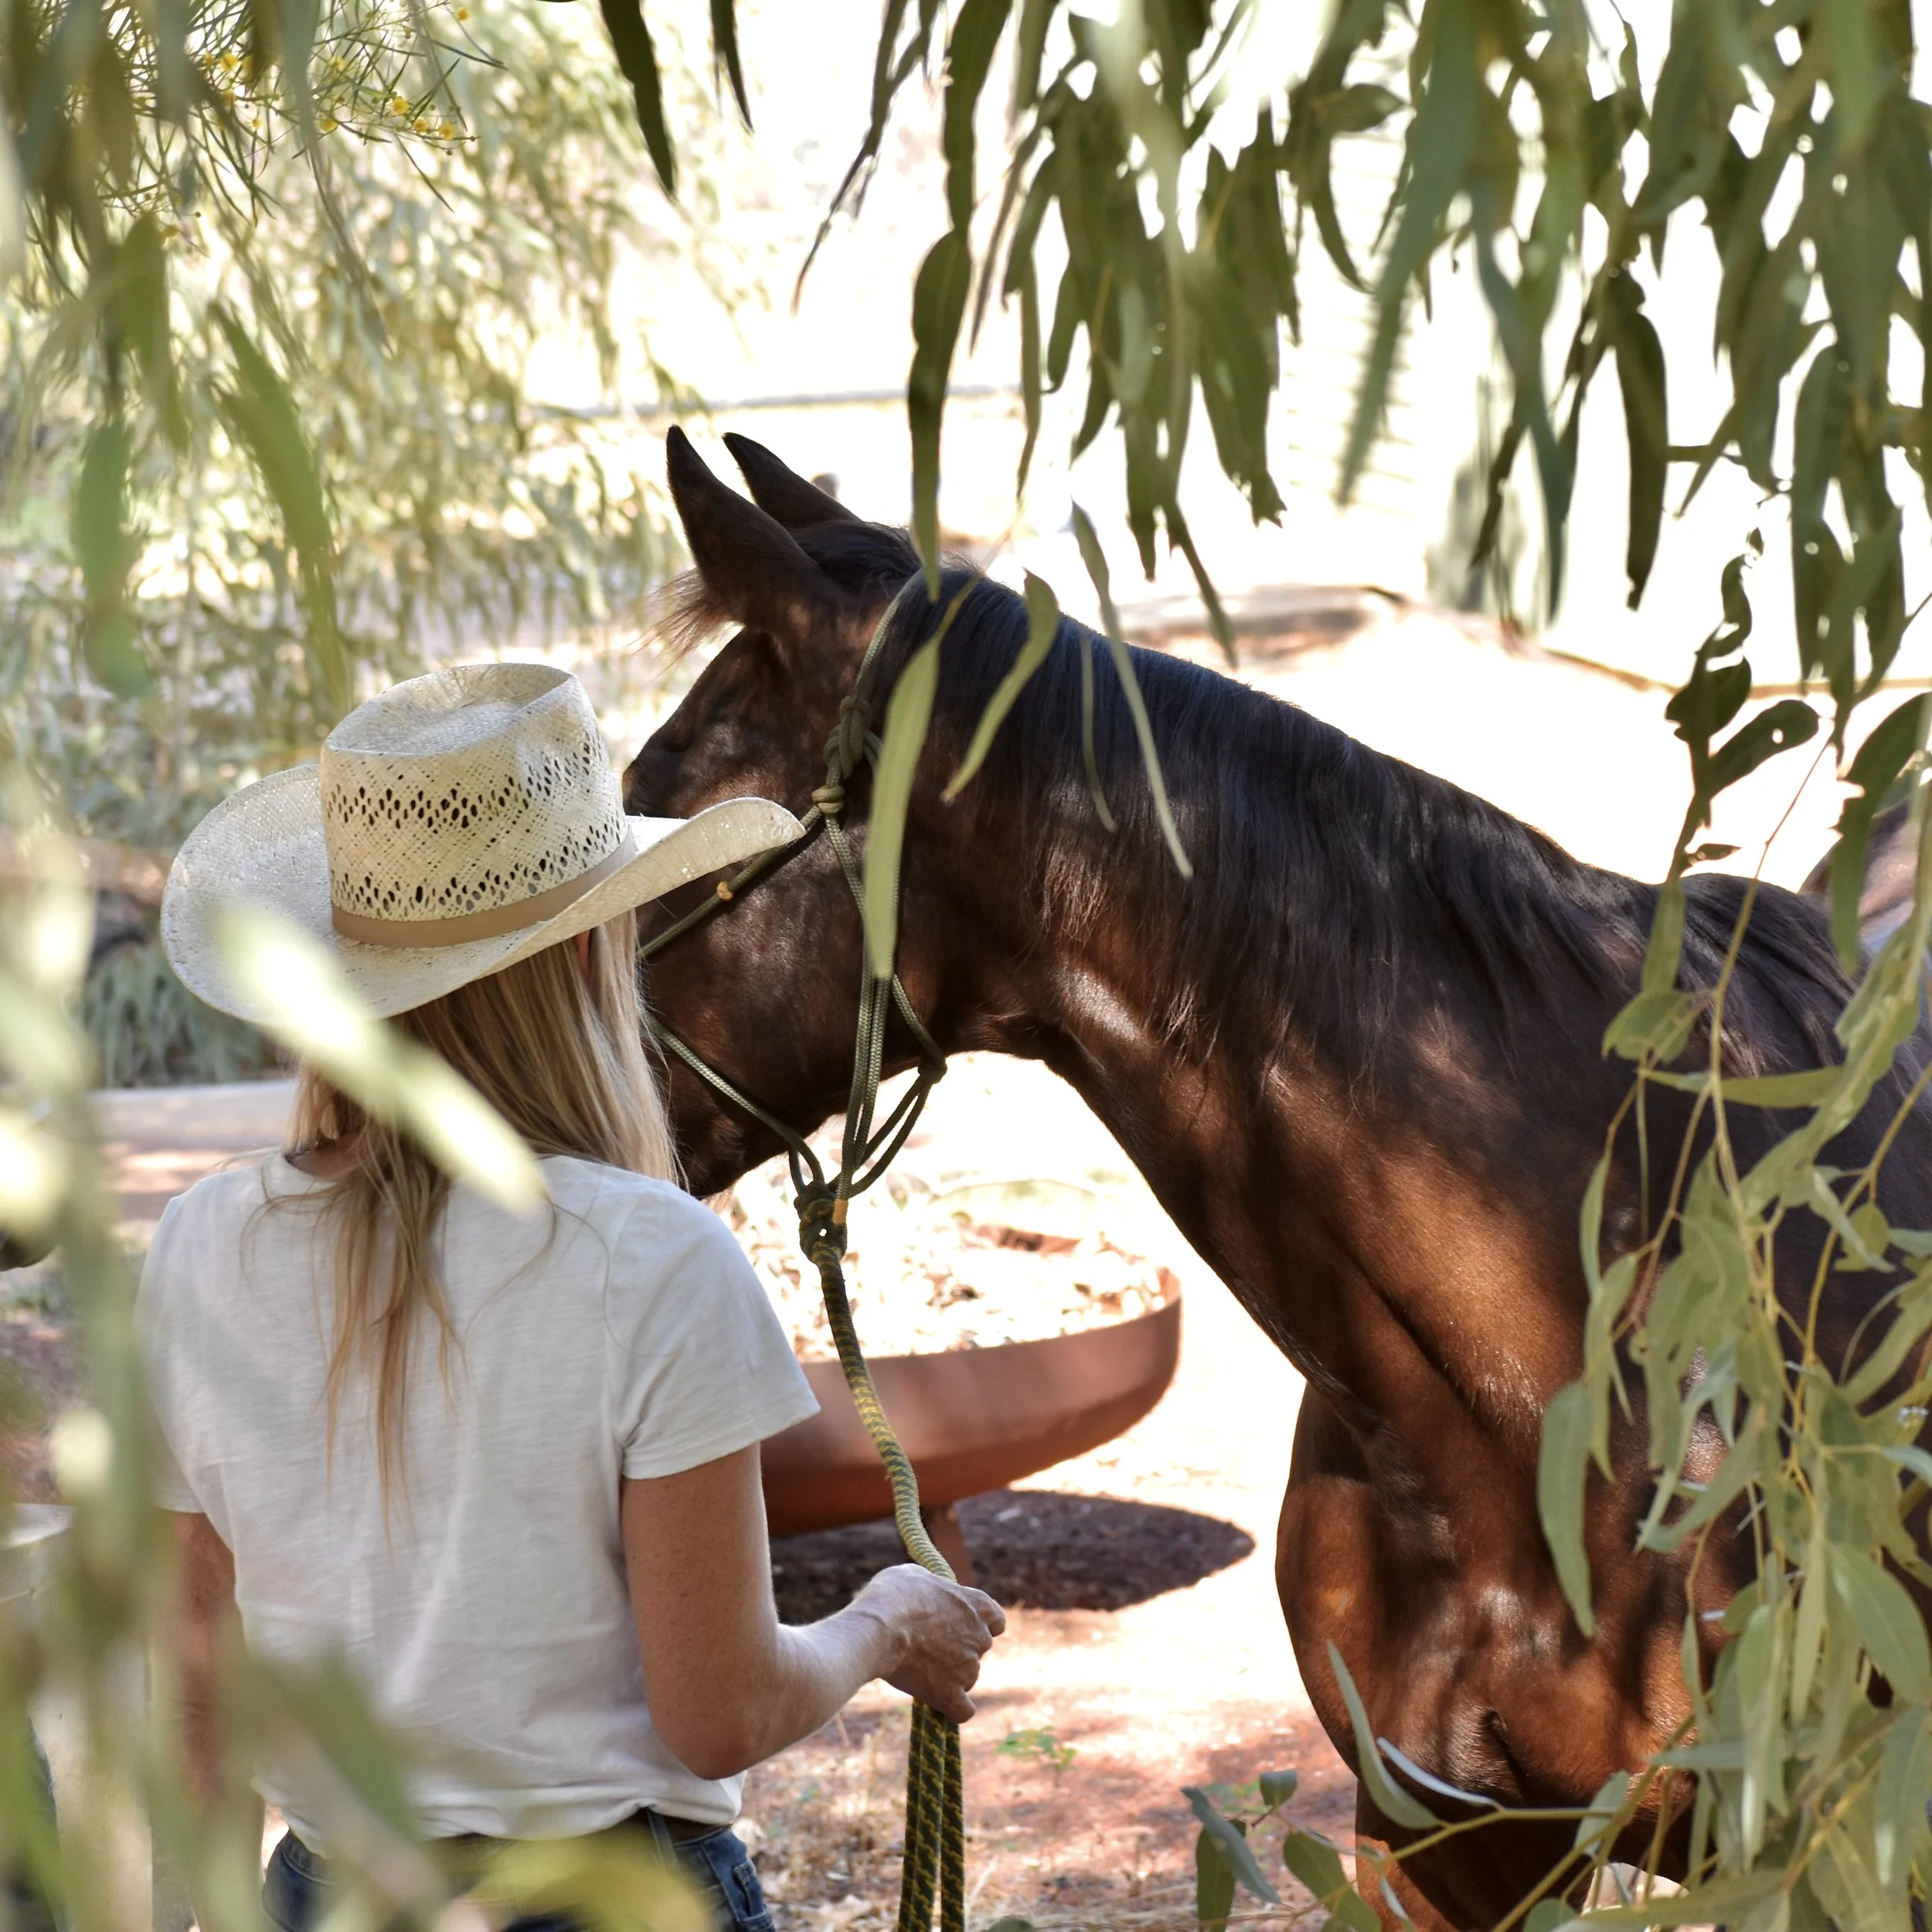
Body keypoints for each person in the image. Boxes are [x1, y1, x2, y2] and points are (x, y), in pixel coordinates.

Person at [138, 662, 1005, 1932]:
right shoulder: (649, 1262)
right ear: (592, 951)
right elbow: (720, 1712)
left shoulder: (201, 1249)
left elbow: (196, 1690)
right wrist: (885, 1623)